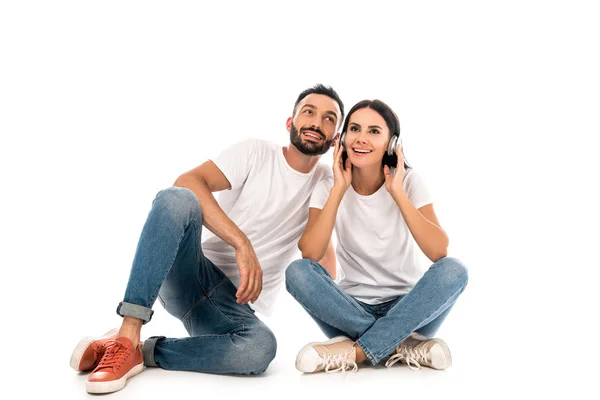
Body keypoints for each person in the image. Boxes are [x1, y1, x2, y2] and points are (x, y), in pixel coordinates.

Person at [69, 84, 344, 393]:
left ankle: (141, 351)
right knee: (177, 198)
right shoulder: (255, 152)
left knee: (260, 348)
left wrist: (343, 331)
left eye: (329, 118)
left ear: (336, 139)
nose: (316, 123)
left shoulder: (326, 183)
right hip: (191, 272)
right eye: (309, 112)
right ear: (290, 122)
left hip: (231, 307)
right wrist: (242, 244)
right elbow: (188, 181)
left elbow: (320, 254)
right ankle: (126, 332)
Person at [285, 99, 469, 374]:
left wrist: (397, 192)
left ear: (392, 143)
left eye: (374, 131)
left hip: (409, 309)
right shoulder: (328, 186)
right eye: (355, 129)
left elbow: (438, 251)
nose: (362, 138)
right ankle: (402, 344)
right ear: (343, 139)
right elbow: (310, 254)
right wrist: (338, 190)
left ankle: (356, 351)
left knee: (455, 270)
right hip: (349, 310)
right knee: (297, 272)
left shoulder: (409, 182)